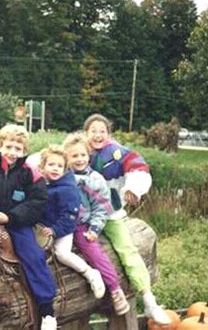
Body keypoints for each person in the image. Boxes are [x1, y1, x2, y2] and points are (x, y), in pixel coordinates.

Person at [0, 124, 57, 330]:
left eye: (18, 148)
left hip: (17, 224)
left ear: (24, 151)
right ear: (0, 145)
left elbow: (38, 202)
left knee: (33, 255)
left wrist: (11, 217)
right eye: (9, 147)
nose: (12, 152)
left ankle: (47, 310)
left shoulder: (31, 175)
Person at [83, 113, 171, 325]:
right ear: (86, 133)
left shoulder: (119, 153)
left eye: (102, 131)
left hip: (110, 213)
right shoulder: (77, 150)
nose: (97, 135)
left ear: (109, 134)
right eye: (93, 131)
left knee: (127, 251)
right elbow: (48, 160)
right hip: (82, 216)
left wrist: (134, 187)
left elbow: (139, 168)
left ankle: (149, 300)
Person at [62, 133, 130, 316]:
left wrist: (94, 229)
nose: (79, 159)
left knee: (95, 252)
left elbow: (102, 208)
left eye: (83, 155)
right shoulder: (61, 175)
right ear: (66, 157)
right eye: (74, 156)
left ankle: (115, 289)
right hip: (60, 224)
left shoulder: (95, 179)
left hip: (81, 225)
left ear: (89, 156)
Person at [37, 144, 106, 299]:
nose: (55, 169)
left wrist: (55, 230)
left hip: (63, 227)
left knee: (62, 253)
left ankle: (90, 273)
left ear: (65, 169)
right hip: (44, 226)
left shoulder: (67, 189)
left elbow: (70, 216)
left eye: (60, 166)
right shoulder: (41, 183)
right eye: (51, 165)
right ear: (42, 167)